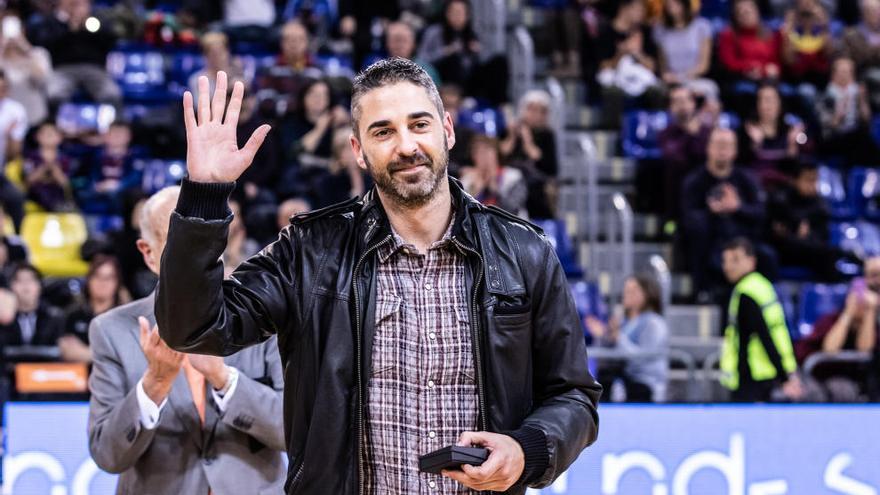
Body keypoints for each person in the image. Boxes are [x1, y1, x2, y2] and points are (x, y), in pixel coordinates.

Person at [157, 59, 601, 493]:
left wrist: (525, 452)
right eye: (383, 131)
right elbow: (194, 328)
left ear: (447, 129)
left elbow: (574, 396)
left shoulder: (524, 252)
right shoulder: (310, 250)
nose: (406, 145)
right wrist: (205, 195)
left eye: (419, 124)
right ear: (358, 151)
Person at [87, 186, 286, 494]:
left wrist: (224, 378)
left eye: (205, 242)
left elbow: (296, 432)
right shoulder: (111, 331)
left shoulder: (267, 316)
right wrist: (155, 383)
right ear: (148, 253)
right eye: (181, 244)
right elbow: (107, 455)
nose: (197, 257)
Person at [681, 127, 767, 300]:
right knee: (699, 234)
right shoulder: (694, 181)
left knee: (768, 255)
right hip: (711, 243)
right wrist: (711, 212)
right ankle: (703, 292)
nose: (722, 150)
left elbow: (760, 213)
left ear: (735, 150)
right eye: (718, 144)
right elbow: (687, 218)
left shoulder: (746, 179)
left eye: (727, 145)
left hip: (742, 241)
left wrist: (737, 207)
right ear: (708, 148)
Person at [719, 238, 802, 402]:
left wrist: (785, 377)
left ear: (751, 261)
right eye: (725, 261)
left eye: (735, 260)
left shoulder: (747, 293)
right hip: (767, 373)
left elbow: (765, 335)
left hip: (754, 375)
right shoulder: (762, 286)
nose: (728, 266)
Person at [766, 160, 860, 281]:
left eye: (815, 180)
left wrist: (798, 236)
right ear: (794, 180)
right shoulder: (779, 201)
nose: (813, 185)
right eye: (808, 180)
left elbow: (822, 239)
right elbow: (775, 236)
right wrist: (798, 236)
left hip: (810, 252)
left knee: (828, 255)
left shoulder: (820, 205)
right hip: (784, 253)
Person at [585, 274, 669, 402]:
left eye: (633, 290)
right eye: (626, 290)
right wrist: (604, 335)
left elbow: (642, 358)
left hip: (645, 383)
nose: (626, 294)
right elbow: (611, 354)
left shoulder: (654, 323)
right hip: (625, 378)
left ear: (647, 294)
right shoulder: (625, 322)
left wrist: (618, 337)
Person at [794, 280, 877, 401]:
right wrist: (848, 313)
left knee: (844, 390)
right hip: (811, 374)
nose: (861, 304)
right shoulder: (830, 320)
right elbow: (830, 349)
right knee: (814, 394)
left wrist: (870, 312)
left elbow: (865, 350)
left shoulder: (873, 325)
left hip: (842, 378)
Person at [28, 0, 121, 107]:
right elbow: (46, 44)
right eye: (72, 3)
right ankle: (53, 123)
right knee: (54, 94)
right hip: (63, 69)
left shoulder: (96, 19)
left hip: (94, 68)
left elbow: (111, 40)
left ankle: (115, 123)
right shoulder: (52, 21)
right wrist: (70, 27)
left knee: (112, 94)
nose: (76, 4)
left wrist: (87, 25)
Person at [417, 0, 509, 105]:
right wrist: (445, 51)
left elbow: (483, 62)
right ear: (446, 14)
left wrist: (478, 51)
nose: (457, 16)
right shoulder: (434, 32)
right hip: (442, 77)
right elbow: (422, 59)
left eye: (461, 13)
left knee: (500, 61)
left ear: (467, 15)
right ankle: (455, 100)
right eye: (454, 12)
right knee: (453, 59)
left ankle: (501, 105)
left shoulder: (472, 33)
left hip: (469, 79)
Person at [594, 0, 663, 129]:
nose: (641, 14)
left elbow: (653, 67)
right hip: (615, 77)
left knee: (659, 91)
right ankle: (613, 135)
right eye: (638, 9)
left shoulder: (645, 32)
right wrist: (621, 53)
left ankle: (656, 132)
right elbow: (602, 66)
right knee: (612, 93)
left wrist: (638, 54)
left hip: (640, 78)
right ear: (624, 9)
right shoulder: (606, 32)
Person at [500, 90, 558, 219]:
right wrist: (512, 136)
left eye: (540, 111)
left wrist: (527, 140)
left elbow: (544, 163)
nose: (535, 115)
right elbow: (502, 154)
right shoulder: (511, 130)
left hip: (535, 179)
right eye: (532, 109)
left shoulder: (547, 135)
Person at [61, 255, 129, 363]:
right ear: (88, 280)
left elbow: (124, 355)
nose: (102, 283)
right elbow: (68, 352)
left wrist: (84, 353)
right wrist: (107, 355)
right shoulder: (72, 315)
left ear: (117, 282)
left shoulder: (125, 317)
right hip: (77, 377)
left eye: (108, 278)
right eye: (97, 276)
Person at [739, 84, 809, 187]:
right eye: (762, 100)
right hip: (753, 186)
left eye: (771, 100)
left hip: (784, 188)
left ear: (780, 103)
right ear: (757, 104)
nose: (767, 105)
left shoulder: (791, 131)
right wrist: (755, 144)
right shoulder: (746, 130)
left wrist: (792, 146)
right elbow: (741, 166)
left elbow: (795, 170)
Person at [659, 84, 713, 219]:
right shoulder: (666, 134)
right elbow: (675, 159)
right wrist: (691, 135)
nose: (681, 105)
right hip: (676, 191)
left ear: (693, 103)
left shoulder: (707, 132)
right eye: (676, 101)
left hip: (704, 190)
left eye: (685, 100)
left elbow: (707, 159)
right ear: (670, 107)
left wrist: (695, 134)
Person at [653, 0, 719, 101]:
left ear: (684, 4)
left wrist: (681, 78)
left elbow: (703, 65)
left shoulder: (702, 26)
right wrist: (668, 77)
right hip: (670, 82)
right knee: (655, 90)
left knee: (710, 89)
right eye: (668, 3)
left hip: (693, 79)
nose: (671, 6)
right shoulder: (660, 30)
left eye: (675, 3)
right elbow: (663, 66)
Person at [819, 57, 878, 165]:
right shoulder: (826, 96)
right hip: (834, 137)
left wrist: (862, 101)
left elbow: (866, 120)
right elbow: (829, 126)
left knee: (865, 139)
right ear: (833, 74)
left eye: (849, 72)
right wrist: (841, 107)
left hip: (856, 135)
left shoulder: (858, 92)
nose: (845, 75)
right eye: (842, 71)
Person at [75, 121, 142, 214]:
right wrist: (97, 186)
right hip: (96, 191)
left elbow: (135, 178)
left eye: (121, 134)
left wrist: (118, 185)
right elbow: (87, 176)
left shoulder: (135, 157)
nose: (117, 137)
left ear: (129, 137)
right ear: (106, 136)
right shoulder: (94, 156)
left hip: (122, 193)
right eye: (114, 133)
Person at [0, 13, 52, 126]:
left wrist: (26, 49)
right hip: (6, 121)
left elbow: (43, 81)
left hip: (35, 117)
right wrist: (2, 47)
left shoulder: (39, 53)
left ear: (23, 31)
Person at [460, 135, 529, 217]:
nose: (484, 156)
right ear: (473, 157)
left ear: (496, 153)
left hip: (511, 227)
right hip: (479, 228)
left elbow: (512, 209)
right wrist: (476, 190)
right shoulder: (467, 181)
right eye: (478, 152)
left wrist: (494, 187)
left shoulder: (513, 177)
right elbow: (461, 213)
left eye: (487, 150)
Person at [0, 263, 64, 351]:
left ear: (40, 286)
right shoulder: (3, 318)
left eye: (31, 280)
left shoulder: (54, 317)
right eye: (19, 280)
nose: (25, 285)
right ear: (10, 286)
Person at [717, 0, 782, 82]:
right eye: (740, 11)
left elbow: (776, 61)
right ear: (735, 16)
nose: (745, 14)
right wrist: (749, 66)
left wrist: (772, 69)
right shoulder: (728, 35)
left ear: (757, 11)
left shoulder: (769, 34)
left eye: (749, 10)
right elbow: (728, 63)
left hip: (768, 78)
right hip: (739, 78)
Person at [22, 121, 75, 211]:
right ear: (37, 137)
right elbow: (28, 181)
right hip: (35, 196)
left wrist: (54, 168)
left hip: (58, 196)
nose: (49, 136)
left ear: (60, 138)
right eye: (45, 134)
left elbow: (65, 184)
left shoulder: (64, 159)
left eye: (52, 134)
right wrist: (44, 167)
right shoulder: (31, 157)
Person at [0, 70, 26, 229]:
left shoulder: (15, 111)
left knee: (16, 196)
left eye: (3, 88)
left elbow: (13, 155)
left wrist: (10, 137)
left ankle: (18, 241)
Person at [188, 31, 247, 99]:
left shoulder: (237, 73)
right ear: (205, 56)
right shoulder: (197, 79)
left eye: (221, 52)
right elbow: (199, 106)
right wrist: (227, 91)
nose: (219, 58)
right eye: (214, 54)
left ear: (227, 52)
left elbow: (250, 103)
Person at [385, 21, 441, 86]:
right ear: (387, 43)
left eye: (404, 40)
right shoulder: (374, 66)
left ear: (413, 44)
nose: (399, 45)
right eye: (396, 40)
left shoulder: (427, 71)